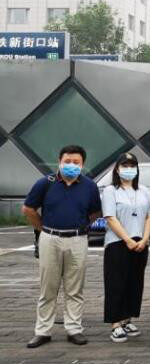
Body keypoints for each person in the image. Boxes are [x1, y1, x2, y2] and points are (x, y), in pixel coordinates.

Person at [23, 145, 102, 348]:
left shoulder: (89, 186)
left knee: (75, 288)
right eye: (67, 161)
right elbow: (28, 208)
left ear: (83, 164)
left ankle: (74, 329)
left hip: (77, 240)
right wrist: (42, 228)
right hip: (50, 238)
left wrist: (81, 226)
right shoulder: (45, 183)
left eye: (76, 162)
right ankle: (43, 331)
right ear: (59, 161)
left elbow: (95, 212)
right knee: (48, 288)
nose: (71, 165)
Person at [102, 153, 150, 343]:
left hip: (141, 243)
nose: (129, 169)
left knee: (135, 281)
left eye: (132, 166)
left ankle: (127, 319)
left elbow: (149, 216)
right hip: (118, 242)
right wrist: (127, 239)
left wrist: (145, 238)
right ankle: (115, 322)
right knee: (116, 282)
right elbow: (110, 218)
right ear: (117, 169)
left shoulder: (143, 190)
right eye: (125, 165)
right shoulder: (111, 191)